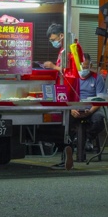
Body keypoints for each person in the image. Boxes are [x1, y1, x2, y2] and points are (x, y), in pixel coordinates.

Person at [44, 23, 74, 170]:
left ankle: (66, 151)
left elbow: (70, 72)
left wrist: (53, 66)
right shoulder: (63, 50)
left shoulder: (69, 51)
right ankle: (65, 153)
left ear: (61, 35)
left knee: (62, 125)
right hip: (61, 92)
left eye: (53, 39)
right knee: (61, 125)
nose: (52, 42)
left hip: (66, 94)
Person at [69, 53, 106, 157]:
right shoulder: (72, 78)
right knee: (64, 120)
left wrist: (89, 111)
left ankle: (88, 138)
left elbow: (100, 99)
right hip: (74, 108)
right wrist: (72, 109)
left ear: (90, 65)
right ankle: (72, 141)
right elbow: (67, 97)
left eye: (86, 66)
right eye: (82, 67)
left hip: (92, 108)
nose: (84, 69)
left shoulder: (97, 78)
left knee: (99, 120)